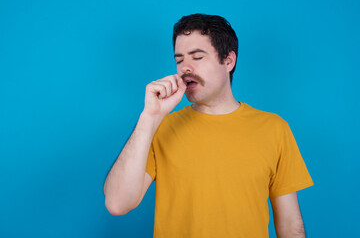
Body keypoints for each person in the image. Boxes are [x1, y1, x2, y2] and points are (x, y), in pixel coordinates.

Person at [104, 13, 314, 238]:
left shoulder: (274, 129)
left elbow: (291, 226)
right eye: (179, 59)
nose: (185, 68)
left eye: (197, 57)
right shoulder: (161, 127)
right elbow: (117, 204)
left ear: (228, 61)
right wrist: (149, 117)